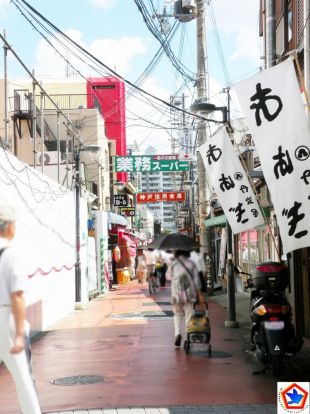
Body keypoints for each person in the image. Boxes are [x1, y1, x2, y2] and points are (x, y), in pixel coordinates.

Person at [0, 205, 41, 414]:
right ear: (8, 227)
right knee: (24, 379)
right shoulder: (11, 254)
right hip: (7, 319)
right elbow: (17, 295)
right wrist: (18, 334)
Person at [166, 249, 205, 347]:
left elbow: (168, 277)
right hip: (189, 293)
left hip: (176, 293)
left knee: (177, 314)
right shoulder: (191, 263)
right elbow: (197, 281)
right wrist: (200, 294)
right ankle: (188, 336)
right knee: (189, 315)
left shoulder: (173, 263)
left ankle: (178, 334)